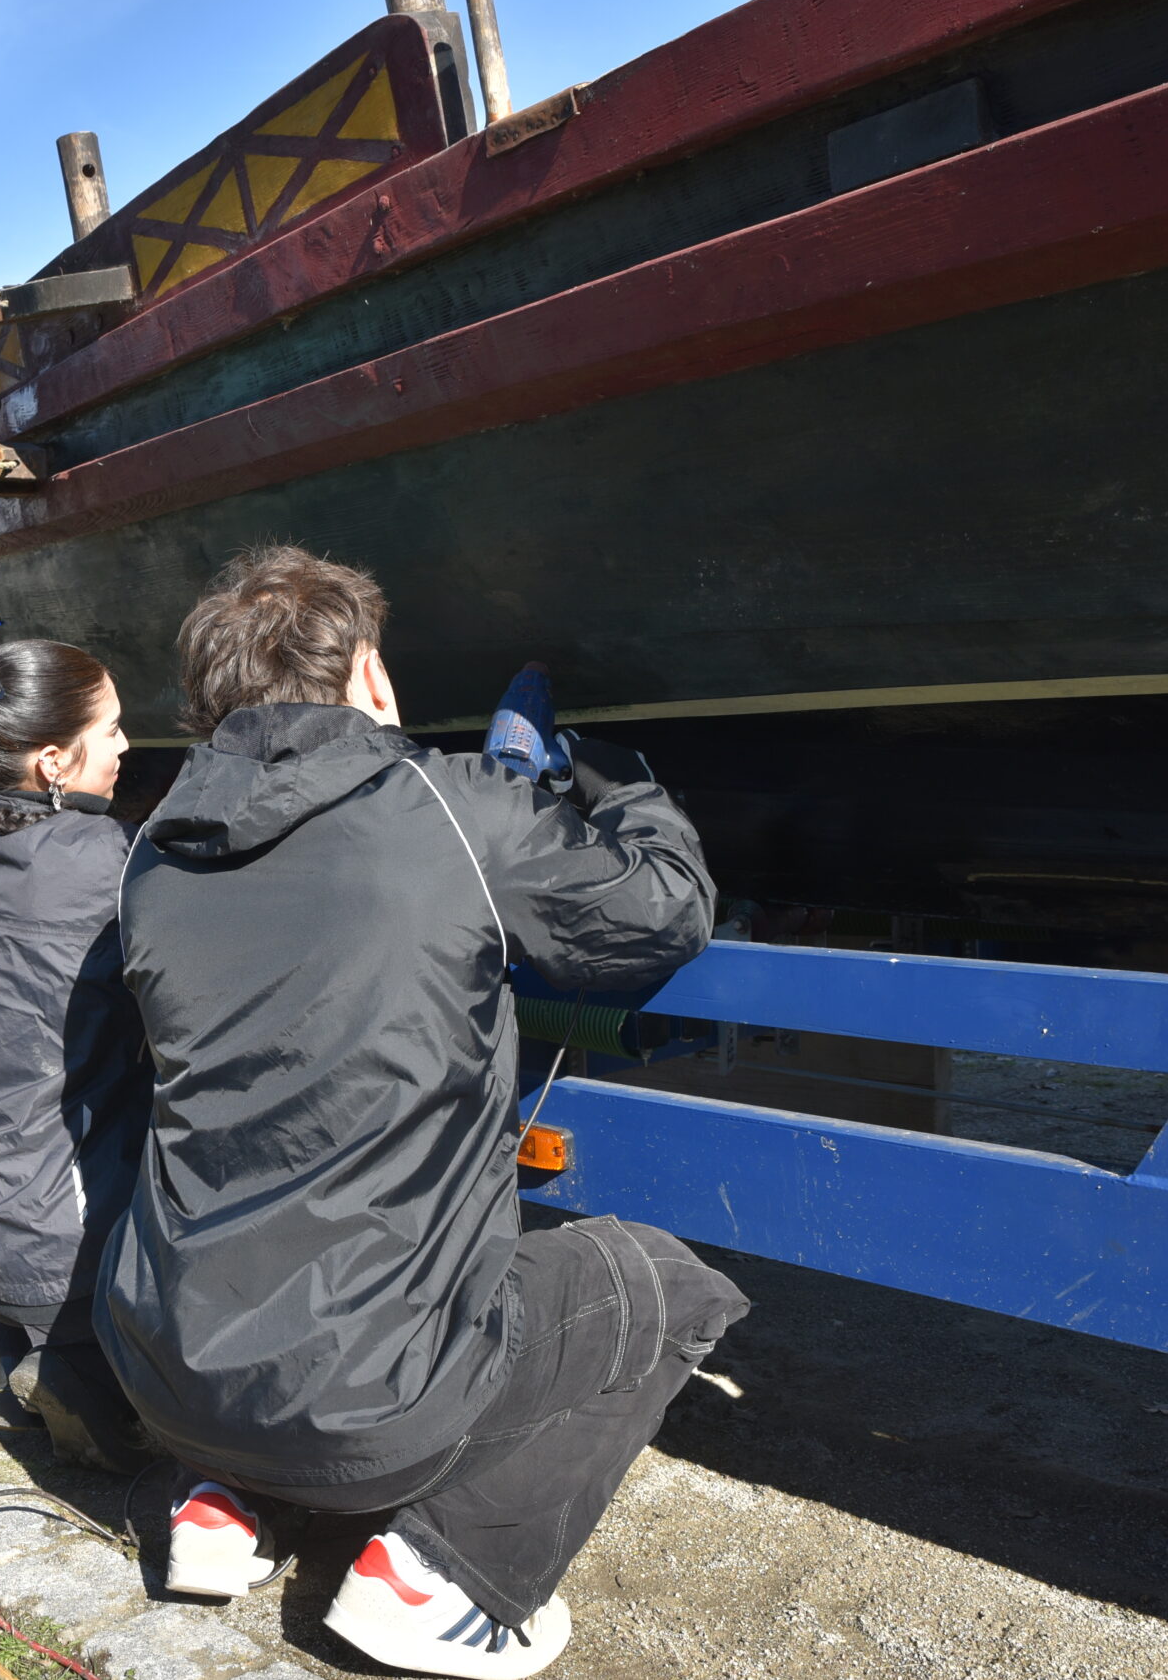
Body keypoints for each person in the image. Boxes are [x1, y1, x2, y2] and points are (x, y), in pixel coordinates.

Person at [99, 546, 750, 1680]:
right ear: (367, 674)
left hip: (163, 1366)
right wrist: (615, 778)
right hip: (361, 1400)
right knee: (659, 1285)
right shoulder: (450, 810)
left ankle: (221, 1501)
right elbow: (663, 910)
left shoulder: (151, 850)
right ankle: (441, 1576)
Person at [0, 640, 157, 1473]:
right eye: (113, 730)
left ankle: (20, 1356)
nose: (128, 745)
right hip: (71, 1234)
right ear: (53, 760)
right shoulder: (107, 863)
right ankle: (74, 1367)